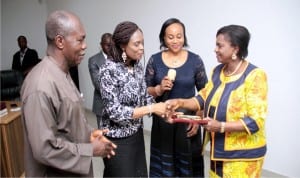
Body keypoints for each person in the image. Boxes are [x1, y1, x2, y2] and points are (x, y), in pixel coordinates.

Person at [20, 10, 117, 177]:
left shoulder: (63, 73)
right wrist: (90, 149)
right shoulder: (39, 85)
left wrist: (89, 133)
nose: (85, 45)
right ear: (60, 41)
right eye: (80, 40)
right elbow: (45, 148)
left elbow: (68, 120)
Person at [166, 25, 268, 178]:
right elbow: (202, 98)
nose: (215, 49)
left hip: (243, 158)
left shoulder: (255, 76)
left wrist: (220, 126)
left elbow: (255, 121)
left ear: (235, 49)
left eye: (220, 45)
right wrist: (179, 102)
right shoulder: (217, 71)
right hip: (218, 152)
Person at [98, 21, 166, 177]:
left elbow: (144, 97)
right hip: (116, 140)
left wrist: (161, 110)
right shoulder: (108, 70)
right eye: (136, 44)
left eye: (142, 43)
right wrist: (151, 109)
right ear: (123, 45)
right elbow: (115, 112)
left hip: (136, 135)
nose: (142, 47)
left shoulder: (137, 67)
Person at [145, 18, 208, 177]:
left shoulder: (195, 61)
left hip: (188, 124)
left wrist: (198, 119)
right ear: (163, 38)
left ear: (184, 37)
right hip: (163, 123)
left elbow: (205, 93)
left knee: (188, 168)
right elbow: (145, 90)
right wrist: (159, 89)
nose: (175, 41)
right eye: (170, 37)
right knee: (164, 168)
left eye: (179, 36)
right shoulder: (154, 60)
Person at [88, 33, 112, 128]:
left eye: (112, 45)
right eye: (107, 45)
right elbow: (98, 84)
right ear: (101, 45)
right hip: (102, 105)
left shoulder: (119, 59)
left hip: (119, 107)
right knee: (104, 135)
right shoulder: (93, 60)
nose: (110, 48)